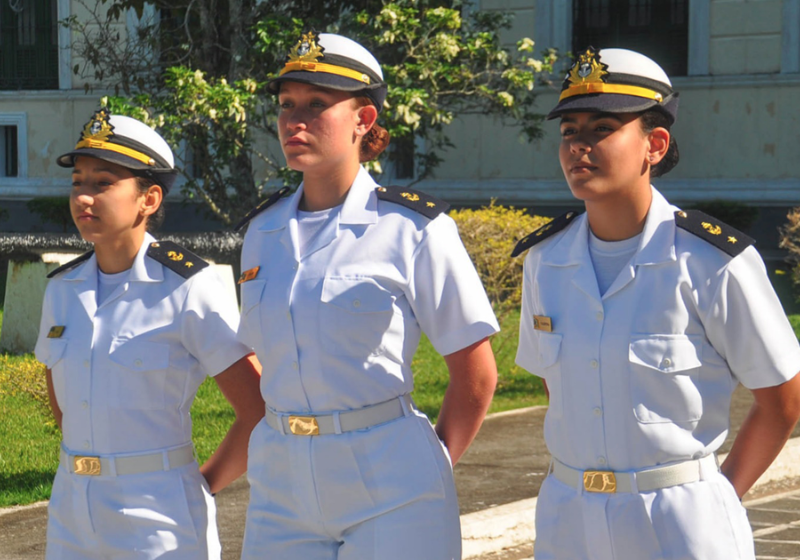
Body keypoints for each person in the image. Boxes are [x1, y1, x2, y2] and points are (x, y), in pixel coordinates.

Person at [513, 47, 800, 560]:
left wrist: (718, 497)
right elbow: (558, 387)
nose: (579, 145)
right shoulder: (545, 260)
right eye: (569, 131)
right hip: (568, 516)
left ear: (655, 144)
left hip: (681, 523)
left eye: (603, 128)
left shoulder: (710, 262)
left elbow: (782, 399)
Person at [235, 30, 499, 560]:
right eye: (286, 104)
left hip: (391, 479)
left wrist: (428, 468)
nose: (294, 120)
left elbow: (476, 373)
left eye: (316, 104)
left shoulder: (411, 228)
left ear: (364, 119)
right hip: (282, 485)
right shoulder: (262, 231)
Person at [34, 108, 264, 560]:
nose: (84, 197)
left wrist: (201, 483)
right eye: (77, 182)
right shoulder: (63, 288)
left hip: (159, 514)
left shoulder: (187, 286)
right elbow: (65, 404)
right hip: (72, 511)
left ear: (149, 199)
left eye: (103, 183)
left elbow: (257, 408)